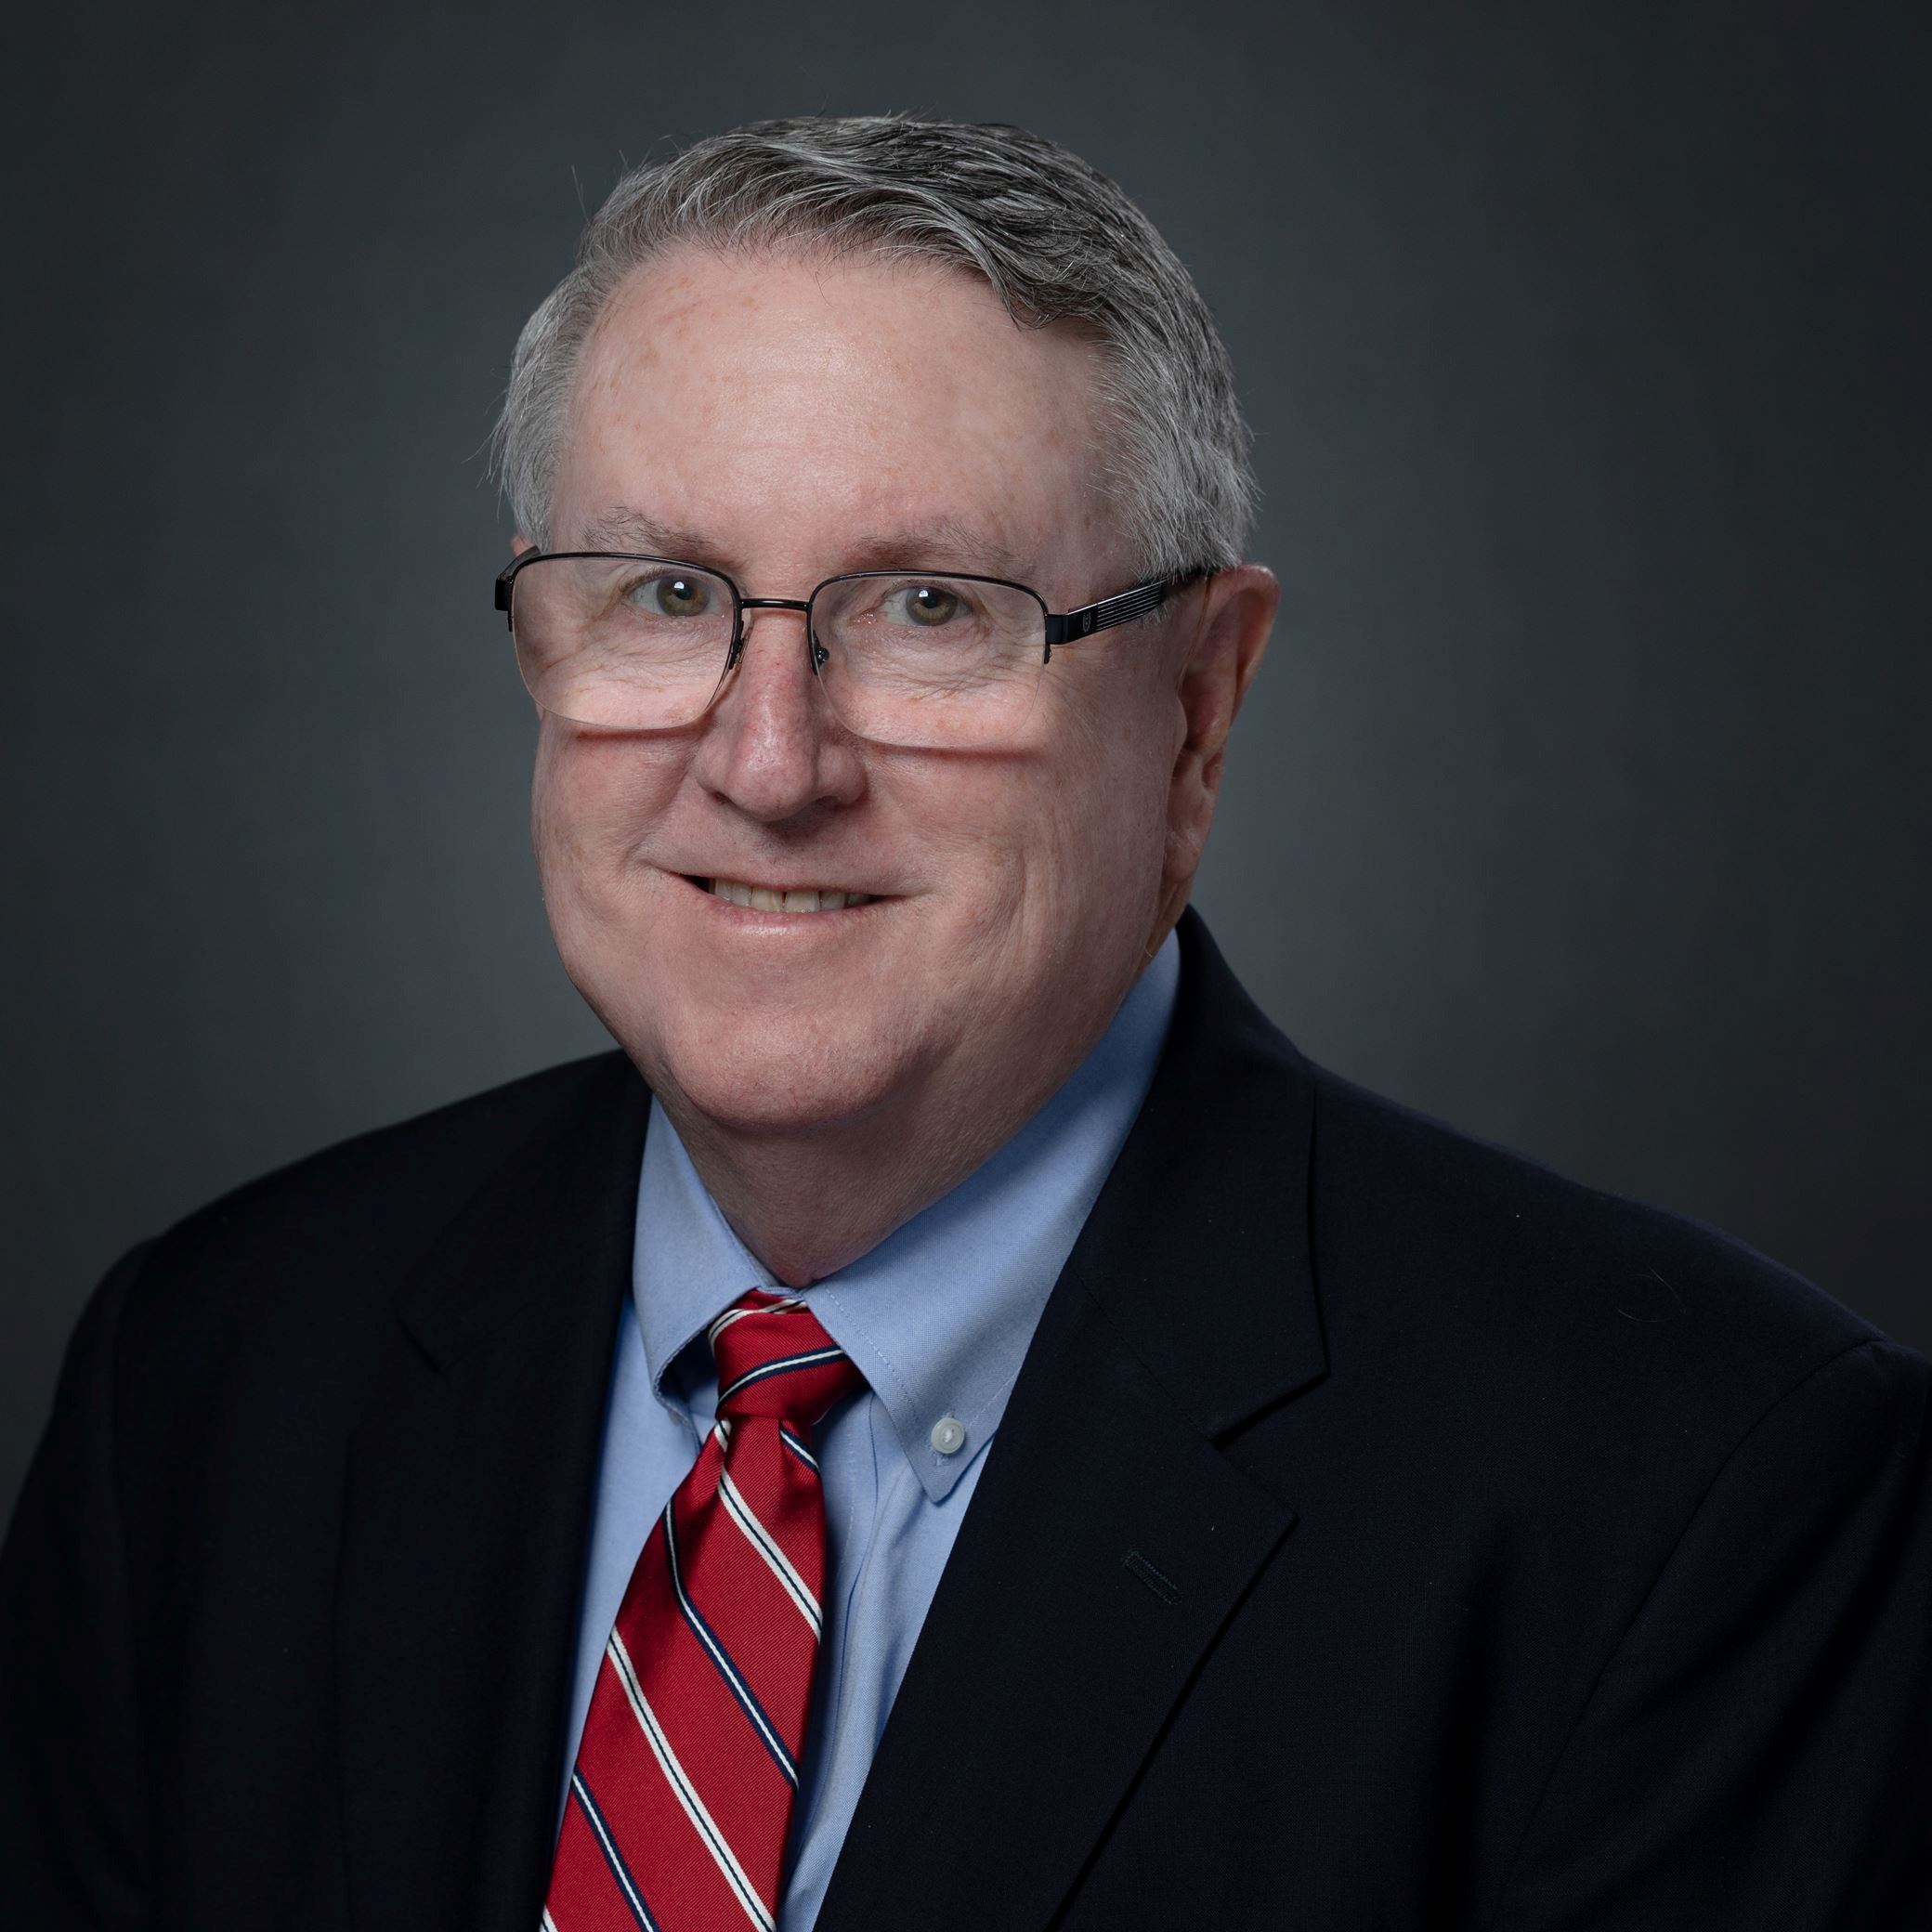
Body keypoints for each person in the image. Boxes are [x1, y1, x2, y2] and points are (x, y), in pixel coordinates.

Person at [3, 113, 1926, 1932]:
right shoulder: (207, 1382)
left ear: (1196, 703)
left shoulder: (1694, 1495)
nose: (767, 761)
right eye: (665, 593)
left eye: (927, 608)